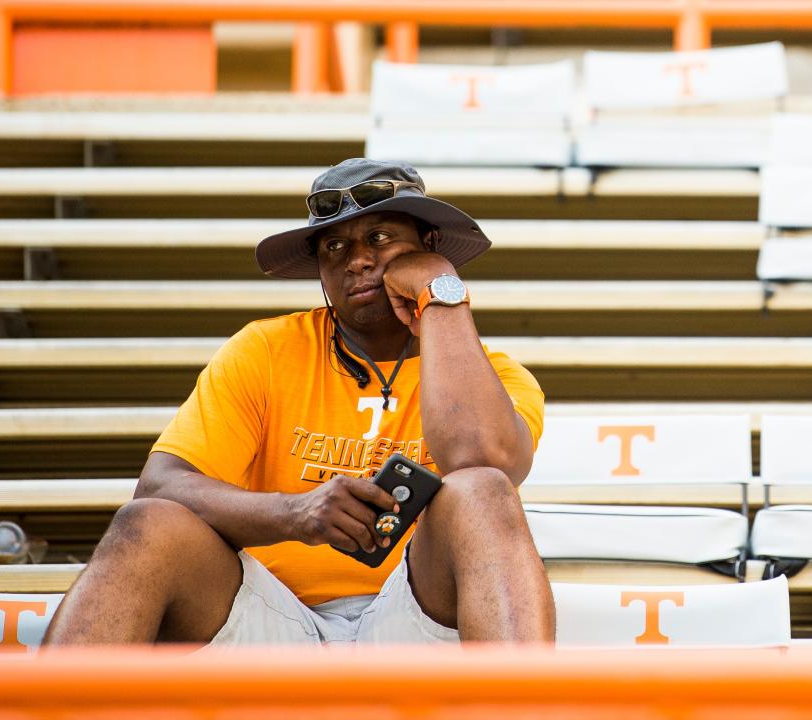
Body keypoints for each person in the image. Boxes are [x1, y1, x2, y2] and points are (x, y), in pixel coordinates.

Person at [44, 158, 555, 646]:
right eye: (334, 246)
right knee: (147, 524)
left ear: (427, 244)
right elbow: (160, 486)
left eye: (379, 238)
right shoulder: (265, 348)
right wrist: (297, 513)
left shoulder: (497, 375)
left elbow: (485, 463)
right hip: (270, 617)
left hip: (417, 617)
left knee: (481, 490)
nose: (357, 259)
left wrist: (438, 292)